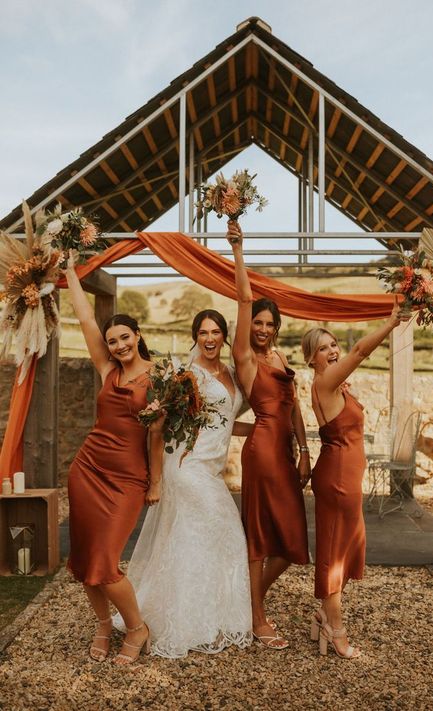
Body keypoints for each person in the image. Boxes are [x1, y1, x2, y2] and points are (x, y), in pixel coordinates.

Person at [114, 309, 253, 658]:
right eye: (203, 332)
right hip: (186, 467)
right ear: (195, 336)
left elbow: (221, 423)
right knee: (224, 532)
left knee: (196, 540)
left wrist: (263, 431)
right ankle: (184, 623)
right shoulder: (185, 375)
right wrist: (156, 481)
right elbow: (159, 428)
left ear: (224, 336)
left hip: (211, 469)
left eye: (216, 332)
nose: (209, 338)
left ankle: (205, 616)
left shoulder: (233, 374)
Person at [65, 253, 162, 665]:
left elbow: (157, 435)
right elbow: (87, 319)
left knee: (105, 562)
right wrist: (70, 271)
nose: (119, 345)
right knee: (85, 559)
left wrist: (155, 482)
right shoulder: (107, 370)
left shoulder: (160, 377)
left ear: (138, 335)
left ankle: (136, 627)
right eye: (112, 340)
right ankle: (104, 624)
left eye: (125, 337)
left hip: (127, 479)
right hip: (87, 469)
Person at [301, 303, 409, 659]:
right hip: (337, 478)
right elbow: (362, 350)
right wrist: (392, 321)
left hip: (347, 476)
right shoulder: (326, 381)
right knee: (334, 553)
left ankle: (323, 613)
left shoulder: (336, 384)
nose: (333, 351)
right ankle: (336, 629)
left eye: (334, 345)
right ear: (312, 359)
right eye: (323, 348)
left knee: (349, 548)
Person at [227, 220, 310, 650]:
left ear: (276, 328)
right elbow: (242, 297)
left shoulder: (279, 355)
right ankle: (257, 617)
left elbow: (294, 404)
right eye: (256, 322)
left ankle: (248, 599)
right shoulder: (244, 358)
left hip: (287, 451)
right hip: (260, 452)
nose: (261, 329)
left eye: (267, 324)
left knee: (294, 540)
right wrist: (239, 249)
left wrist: (305, 450)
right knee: (260, 536)